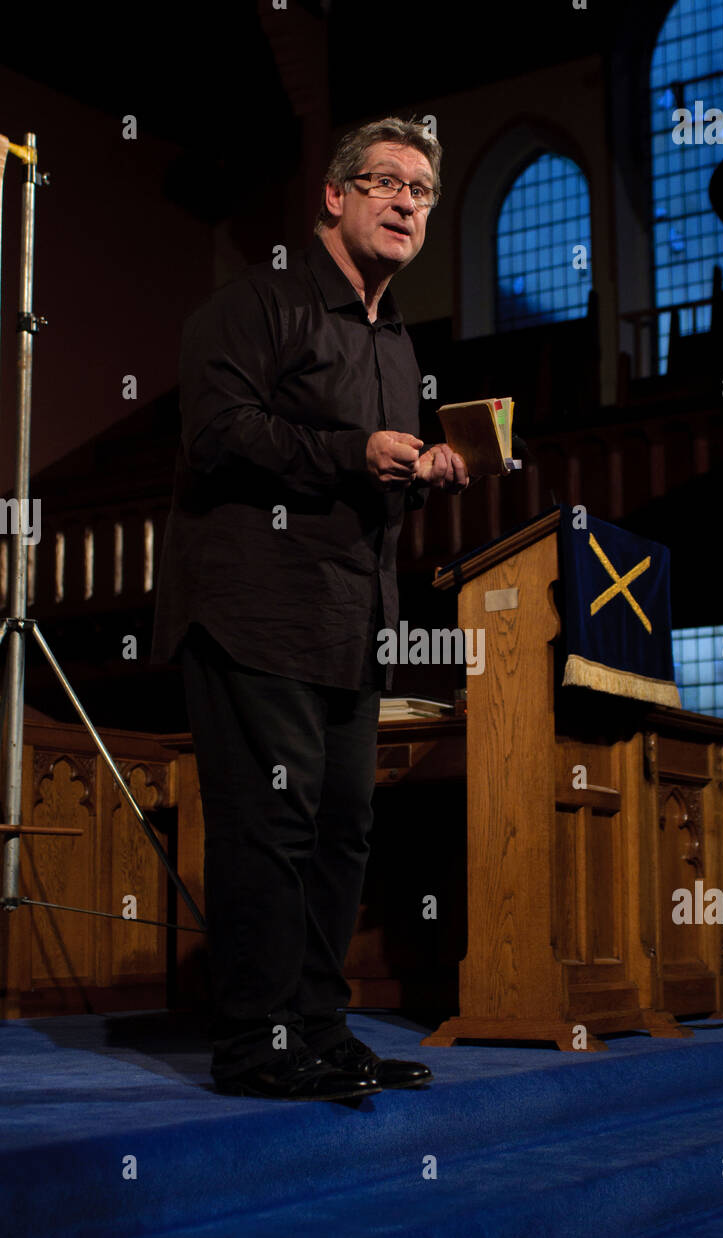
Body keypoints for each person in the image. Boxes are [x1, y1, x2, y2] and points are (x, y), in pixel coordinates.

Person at [149, 117, 467, 1101]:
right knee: (271, 826)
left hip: (351, 623)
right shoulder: (257, 303)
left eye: (421, 190)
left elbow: (372, 479)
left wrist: (427, 471)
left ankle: (322, 1033)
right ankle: (256, 1043)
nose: (406, 201)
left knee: (342, 832)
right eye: (385, 183)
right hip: (255, 613)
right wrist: (349, 452)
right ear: (334, 196)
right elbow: (217, 435)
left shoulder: (398, 344)